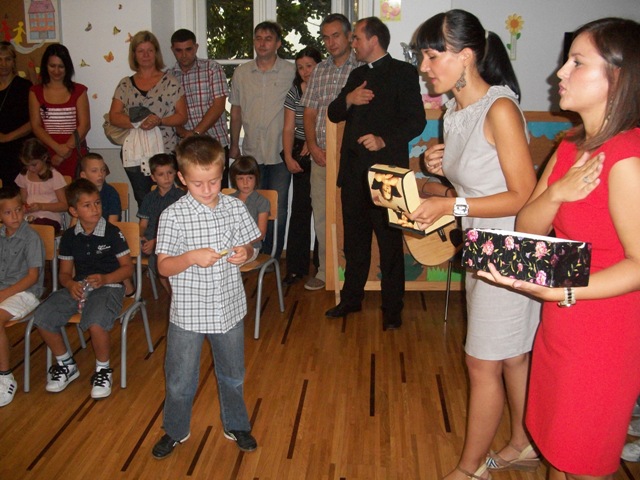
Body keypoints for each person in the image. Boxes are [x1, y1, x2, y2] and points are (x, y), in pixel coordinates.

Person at [476, 17, 640, 480]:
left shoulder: (627, 158)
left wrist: (564, 292)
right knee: (555, 447)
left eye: (577, 62)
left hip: (604, 332)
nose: (560, 73)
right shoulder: (571, 145)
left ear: (618, 77)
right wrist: (557, 194)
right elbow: (529, 223)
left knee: (583, 458)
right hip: (562, 323)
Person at [407, 10, 541, 479]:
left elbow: (523, 194)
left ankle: (468, 471)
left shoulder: (499, 108)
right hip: (484, 246)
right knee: (512, 357)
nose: (424, 66)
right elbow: (478, 179)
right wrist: (435, 165)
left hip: (511, 248)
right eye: (422, 56)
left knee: (481, 364)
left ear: (465, 56)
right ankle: (524, 442)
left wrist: (450, 205)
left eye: (432, 55)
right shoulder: (455, 111)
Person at [151, 136, 261, 459]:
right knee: (180, 379)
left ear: (222, 172)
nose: (208, 189)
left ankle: (236, 424)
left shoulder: (234, 207)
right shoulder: (173, 215)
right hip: (188, 313)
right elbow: (163, 267)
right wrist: (190, 257)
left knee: (233, 374)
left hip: (228, 308)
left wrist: (247, 253)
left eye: (213, 181)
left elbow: (253, 246)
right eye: (198, 183)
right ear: (182, 178)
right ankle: (175, 430)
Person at [326, 17, 425, 330]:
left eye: (356, 38)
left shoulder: (404, 73)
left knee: (389, 244)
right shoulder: (357, 75)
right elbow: (333, 113)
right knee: (354, 242)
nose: (352, 43)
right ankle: (351, 299)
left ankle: (392, 309)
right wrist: (349, 99)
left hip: (387, 176)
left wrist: (383, 139)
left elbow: (417, 121)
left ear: (373, 40)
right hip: (354, 173)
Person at [34, 179, 133, 399]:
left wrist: (106, 278)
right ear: (74, 211)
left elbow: (128, 269)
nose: (95, 209)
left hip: (109, 286)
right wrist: (70, 284)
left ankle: (103, 369)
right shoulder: (70, 237)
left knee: (95, 321)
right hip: (79, 286)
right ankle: (66, 364)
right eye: (87, 205)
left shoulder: (112, 233)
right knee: (43, 316)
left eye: (97, 203)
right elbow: (64, 274)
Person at [300, 13, 362, 291]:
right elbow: (309, 112)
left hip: (353, 157)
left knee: (353, 215)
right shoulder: (320, 70)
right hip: (322, 155)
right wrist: (313, 146)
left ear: (349, 36)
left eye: (336, 35)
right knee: (323, 214)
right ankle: (326, 271)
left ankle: (355, 273)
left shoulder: (362, 67)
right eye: (325, 37)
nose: (331, 42)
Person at [229, 21, 295, 260]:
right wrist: (234, 144)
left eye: (268, 38)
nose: (262, 43)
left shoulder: (291, 72)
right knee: (249, 206)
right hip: (251, 153)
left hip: (280, 152)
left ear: (278, 43)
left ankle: (273, 257)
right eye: (258, 38)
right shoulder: (242, 73)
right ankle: (251, 254)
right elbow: (236, 110)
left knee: (278, 207)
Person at [109, 30, 187, 207]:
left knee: (169, 199)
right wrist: (138, 123)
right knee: (143, 200)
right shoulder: (125, 84)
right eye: (141, 51)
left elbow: (182, 116)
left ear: (156, 53)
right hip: (134, 152)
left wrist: (159, 121)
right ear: (134, 54)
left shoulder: (171, 82)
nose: (145, 55)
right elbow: (114, 116)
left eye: (150, 50)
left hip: (164, 152)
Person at [0, 186, 45, 407]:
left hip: (25, 293)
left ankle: (5, 377)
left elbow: (32, 277)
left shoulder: (31, 237)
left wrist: (2, 295)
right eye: (8, 212)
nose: (15, 216)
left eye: (18, 210)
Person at [169, 29, 231, 187]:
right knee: (189, 191)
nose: (184, 55)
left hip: (215, 143)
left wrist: (195, 133)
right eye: (179, 50)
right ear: (172, 50)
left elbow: (218, 106)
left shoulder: (212, 68)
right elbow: (169, 111)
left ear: (196, 47)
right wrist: (182, 132)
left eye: (188, 49)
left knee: (217, 192)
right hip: (184, 146)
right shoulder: (168, 76)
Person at [282, 46, 322, 286]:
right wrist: (288, 156)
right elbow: (288, 128)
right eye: (300, 67)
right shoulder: (294, 91)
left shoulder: (326, 87)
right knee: (299, 211)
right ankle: (296, 268)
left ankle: (322, 266)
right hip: (300, 155)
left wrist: (312, 140)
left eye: (309, 66)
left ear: (319, 65)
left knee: (322, 211)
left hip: (322, 151)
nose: (305, 71)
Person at [29, 43, 90, 179]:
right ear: (45, 66)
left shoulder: (79, 90)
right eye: (52, 66)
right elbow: (36, 126)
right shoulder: (35, 92)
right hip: (46, 155)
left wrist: (65, 150)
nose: (56, 71)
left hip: (74, 153)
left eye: (61, 66)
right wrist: (57, 148)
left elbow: (85, 125)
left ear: (67, 67)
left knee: (76, 191)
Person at [137, 153, 185, 295]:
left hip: (171, 241)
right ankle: (131, 292)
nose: (167, 178)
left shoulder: (181, 197)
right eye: (161, 174)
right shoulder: (149, 198)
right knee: (123, 250)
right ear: (153, 177)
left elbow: (181, 229)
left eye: (170, 173)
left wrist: (155, 242)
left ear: (175, 173)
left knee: (158, 262)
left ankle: (173, 296)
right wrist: (140, 237)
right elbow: (143, 224)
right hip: (149, 240)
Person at [15, 138, 68, 233]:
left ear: (44, 158)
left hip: (50, 217)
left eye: (34, 165)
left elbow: (64, 205)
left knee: (36, 228)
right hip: (28, 218)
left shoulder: (54, 176)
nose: (30, 168)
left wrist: (41, 206)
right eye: (26, 165)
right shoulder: (23, 175)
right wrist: (24, 207)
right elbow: (23, 201)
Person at [0, 41, 32, 188]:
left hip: (19, 152)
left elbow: (34, 122)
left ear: (13, 61)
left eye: (8, 59)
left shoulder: (25, 87)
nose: (3, 64)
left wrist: (7, 137)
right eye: (0, 59)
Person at [229, 155, 270, 256]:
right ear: (234, 180)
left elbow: (261, 234)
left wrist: (240, 243)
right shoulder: (228, 200)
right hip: (228, 246)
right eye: (240, 178)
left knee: (235, 259)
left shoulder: (262, 202)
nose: (245, 182)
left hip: (251, 247)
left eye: (250, 178)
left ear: (256, 178)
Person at [79, 153, 121, 223]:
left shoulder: (111, 193)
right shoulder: (79, 193)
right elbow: (75, 220)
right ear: (83, 175)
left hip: (106, 229)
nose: (100, 174)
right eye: (94, 171)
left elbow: (112, 224)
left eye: (103, 170)